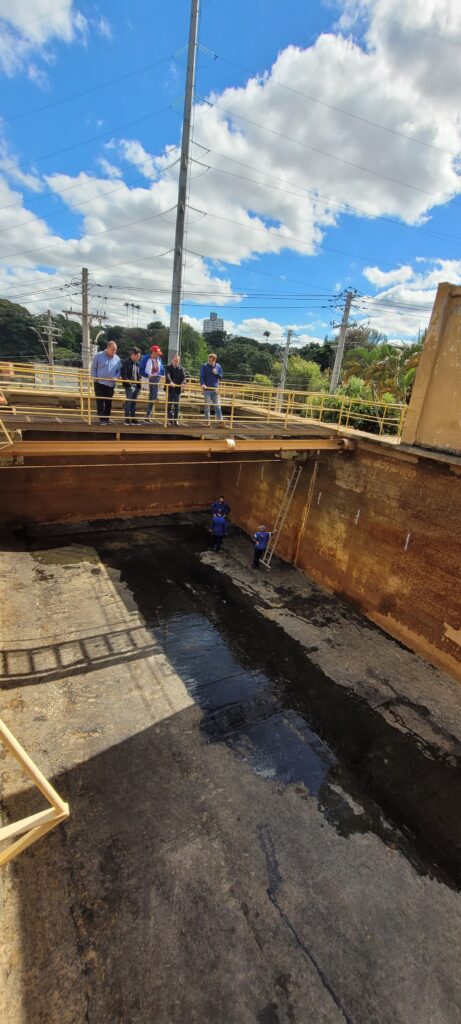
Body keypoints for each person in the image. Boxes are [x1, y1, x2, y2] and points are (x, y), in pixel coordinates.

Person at [90, 341, 121, 424]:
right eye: (112, 350)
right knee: (100, 401)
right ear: (107, 348)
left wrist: (116, 378)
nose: (114, 352)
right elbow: (93, 367)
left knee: (108, 402)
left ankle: (107, 418)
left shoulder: (117, 359)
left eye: (115, 350)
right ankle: (102, 419)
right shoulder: (99, 355)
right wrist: (95, 378)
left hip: (110, 384)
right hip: (99, 382)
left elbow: (119, 371)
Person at [140, 343, 164, 421]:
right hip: (148, 379)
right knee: (152, 394)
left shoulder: (159, 359)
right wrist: (148, 375)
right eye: (157, 353)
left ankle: (148, 415)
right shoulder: (145, 358)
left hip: (156, 379)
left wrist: (158, 374)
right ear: (153, 352)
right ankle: (154, 397)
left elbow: (162, 370)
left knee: (152, 395)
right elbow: (141, 370)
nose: (158, 355)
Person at [199, 353, 223, 426]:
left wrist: (216, 373)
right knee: (207, 406)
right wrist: (202, 384)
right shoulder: (205, 366)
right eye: (209, 360)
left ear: (214, 360)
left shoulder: (218, 366)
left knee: (217, 406)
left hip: (215, 389)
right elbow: (201, 376)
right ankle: (207, 422)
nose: (209, 361)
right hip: (207, 389)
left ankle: (220, 422)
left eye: (211, 360)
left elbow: (221, 377)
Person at [120, 347, 142, 424]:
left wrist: (140, 382)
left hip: (136, 386)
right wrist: (129, 384)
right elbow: (123, 374)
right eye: (138, 356)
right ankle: (127, 419)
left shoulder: (137, 363)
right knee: (128, 402)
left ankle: (132, 418)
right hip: (129, 386)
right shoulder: (126, 362)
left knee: (134, 402)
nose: (139, 358)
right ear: (134, 355)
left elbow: (138, 374)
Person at [165, 353, 186, 425]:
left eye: (177, 361)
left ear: (179, 361)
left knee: (177, 406)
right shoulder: (168, 367)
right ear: (172, 360)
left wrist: (183, 383)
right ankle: (169, 420)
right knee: (169, 405)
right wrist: (170, 382)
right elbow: (167, 375)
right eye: (174, 360)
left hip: (177, 390)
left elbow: (184, 378)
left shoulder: (181, 369)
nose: (175, 362)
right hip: (170, 389)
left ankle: (176, 420)